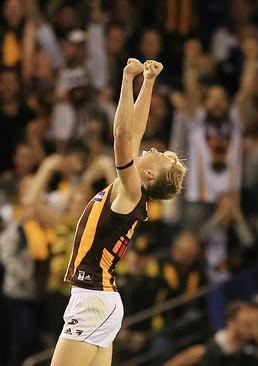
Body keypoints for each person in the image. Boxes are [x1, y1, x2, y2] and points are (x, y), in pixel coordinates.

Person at [51, 59, 187, 366]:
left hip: (93, 298)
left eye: (160, 157)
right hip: (100, 298)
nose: (153, 150)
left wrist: (127, 79)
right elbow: (134, 133)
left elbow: (123, 136)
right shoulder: (130, 189)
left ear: (150, 176)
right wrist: (148, 82)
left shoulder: (132, 190)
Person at [200, 301, 258, 366]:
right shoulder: (214, 349)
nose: (251, 330)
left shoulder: (251, 345)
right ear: (231, 323)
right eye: (246, 324)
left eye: (252, 325)